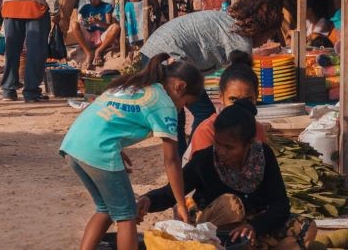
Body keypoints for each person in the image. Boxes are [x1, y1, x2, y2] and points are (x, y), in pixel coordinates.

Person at [60, 54, 202, 250]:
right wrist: (181, 205)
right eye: (185, 104)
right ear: (180, 86)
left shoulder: (133, 85)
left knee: (105, 209)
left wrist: (117, 146)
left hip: (74, 145)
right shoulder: (165, 105)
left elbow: (105, 118)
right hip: (99, 151)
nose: (182, 109)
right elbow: (171, 161)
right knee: (126, 216)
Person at [138, 100, 315, 248]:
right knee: (232, 203)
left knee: (308, 228)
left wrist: (255, 227)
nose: (221, 151)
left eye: (229, 147)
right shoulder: (205, 159)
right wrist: (148, 200)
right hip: (214, 228)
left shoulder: (263, 155)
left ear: (249, 144)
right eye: (218, 143)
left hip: (249, 225)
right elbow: (171, 192)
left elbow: (280, 204)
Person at [140, 0, 283, 155]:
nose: (266, 41)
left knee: (176, 117)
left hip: (153, 50)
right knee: (203, 112)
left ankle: (183, 167)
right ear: (260, 28)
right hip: (166, 56)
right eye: (268, 35)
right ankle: (193, 160)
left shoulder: (229, 22)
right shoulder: (240, 40)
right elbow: (241, 82)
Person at [188, 51, 266, 157]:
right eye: (233, 99)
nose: (240, 106)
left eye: (248, 99)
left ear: (256, 97)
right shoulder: (208, 131)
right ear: (221, 98)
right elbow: (202, 171)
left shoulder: (258, 131)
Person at [70, 0, 120, 70]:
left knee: (116, 27)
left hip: (101, 38)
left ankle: (99, 50)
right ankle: (88, 53)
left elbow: (108, 26)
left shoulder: (106, 7)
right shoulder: (86, 8)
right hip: (89, 37)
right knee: (74, 24)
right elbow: (82, 24)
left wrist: (98, 22)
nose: (92, 1)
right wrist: (86, 23)